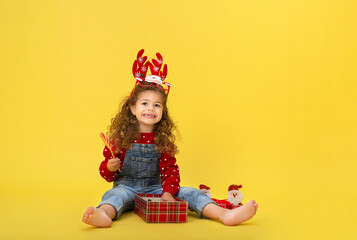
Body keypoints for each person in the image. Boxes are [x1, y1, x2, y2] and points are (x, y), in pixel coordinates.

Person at [82, 50, 258, 227]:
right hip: (126, 188)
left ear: (162, 111)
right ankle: (103, 215)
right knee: (114, 196)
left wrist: (167, 193)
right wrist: (109, 167)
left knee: (191, 192)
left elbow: (171, 172)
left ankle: (224, 214)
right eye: (145, 103)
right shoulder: (120, 139)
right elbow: (106, 175)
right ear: (133, 108)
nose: (150, 109)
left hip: (156, 188)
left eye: (156, 105)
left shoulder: (163, 142)